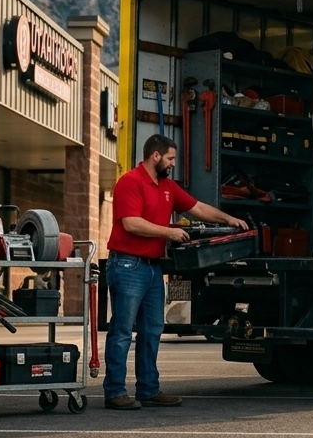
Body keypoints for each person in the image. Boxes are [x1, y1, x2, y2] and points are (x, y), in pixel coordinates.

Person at [103, 133, 248, 410]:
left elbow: (197, 208)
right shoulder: (129, 182)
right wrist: (169, 232)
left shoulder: (167, 186)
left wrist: (227, 218)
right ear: (155, 156)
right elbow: (132, 224)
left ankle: (148, 389)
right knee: (122, 330)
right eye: (170, 158)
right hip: (127, 265)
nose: (172, 164)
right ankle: (114, 392)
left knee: (152, 330)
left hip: (152, 267)